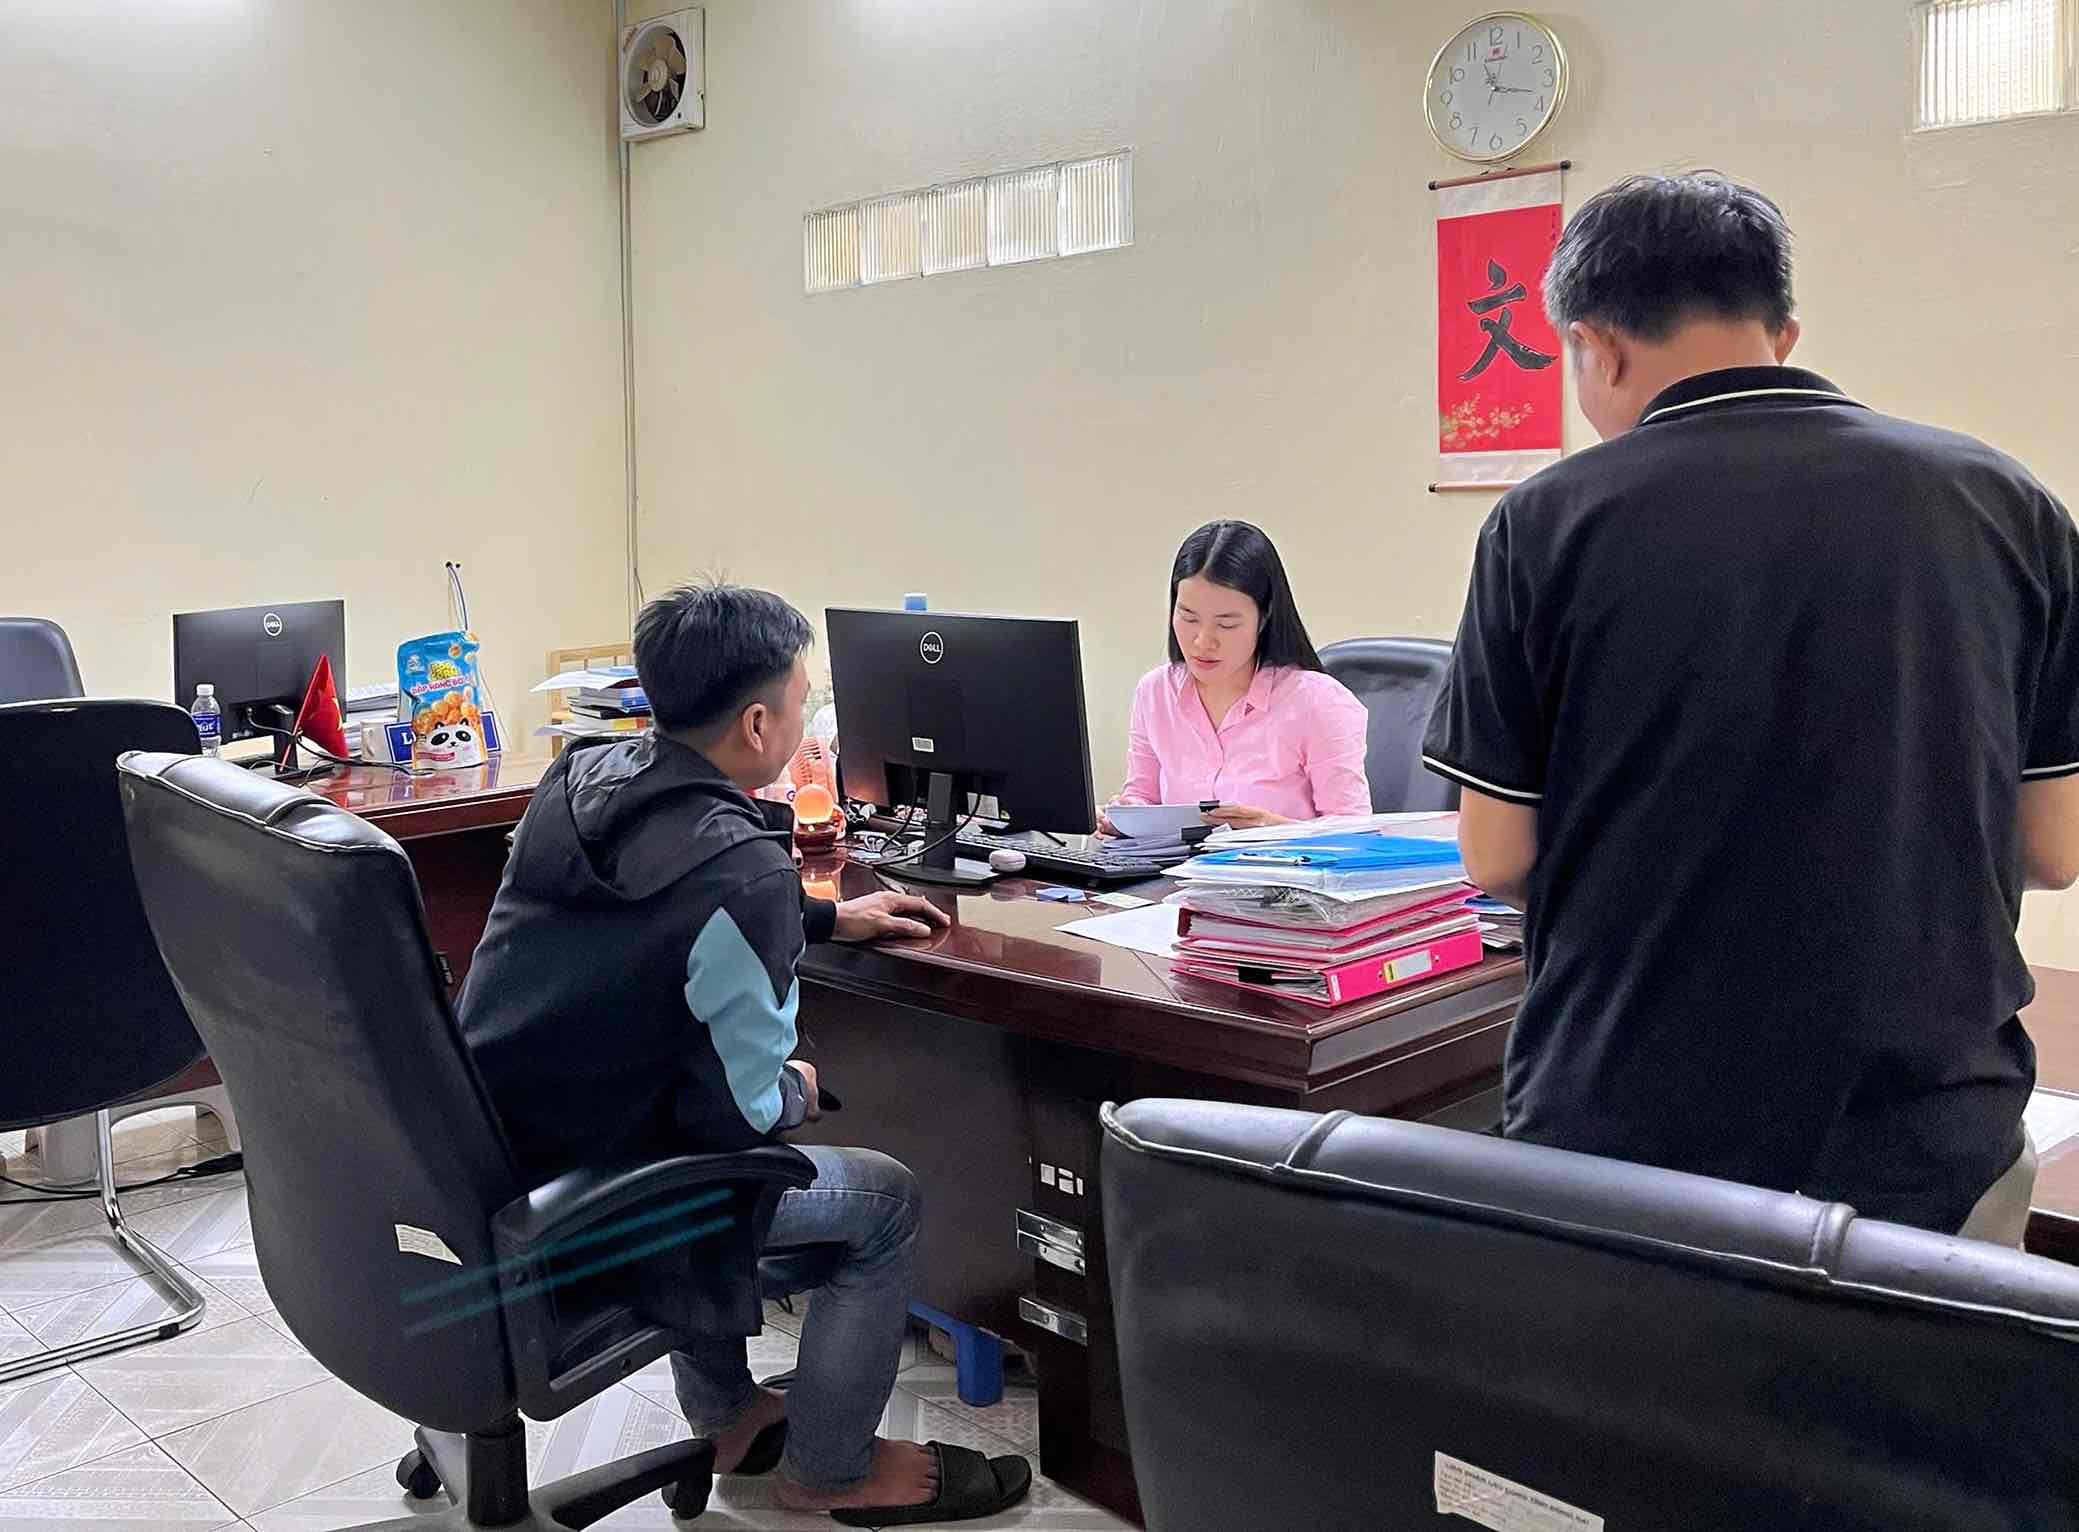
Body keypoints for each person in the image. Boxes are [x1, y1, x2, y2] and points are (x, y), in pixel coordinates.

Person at [1423, 172, 2079, 1245]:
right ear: (1783, 330)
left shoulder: (1543, 524)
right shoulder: (2007, 502)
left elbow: (1495, 853)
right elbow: (2053, 847)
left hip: (1625, 1128)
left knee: (1635, 1414)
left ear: (1597, 346)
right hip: (1925, 1130)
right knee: (1902, 1412)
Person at [457, 583, 1031, 1524]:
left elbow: (645, 923)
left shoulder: (577, 782)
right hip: (597, 1200)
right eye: (803, 703)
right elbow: (746, 1112)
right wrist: (797, 1089)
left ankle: (726, 1414)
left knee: (683, 1114)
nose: (808, 723)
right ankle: (832, 1471)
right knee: (879, 1198)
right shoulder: (741, 870)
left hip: (499, 1152)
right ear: (759, 723)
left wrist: (821, 915)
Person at [1105, 519, 1371, 831]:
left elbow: (1354, 835)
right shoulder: (1155, 692)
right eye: (1188, 617)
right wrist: (1125, 818)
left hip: (1283, 877)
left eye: (1226, 624)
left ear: (1264, 617)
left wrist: (1273, 829)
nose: (1203, 641)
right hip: (1177, 878)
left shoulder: (1317, 702)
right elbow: (1142, 795)